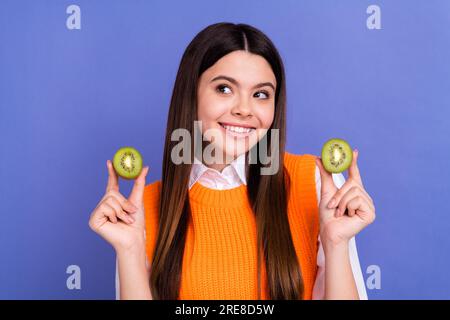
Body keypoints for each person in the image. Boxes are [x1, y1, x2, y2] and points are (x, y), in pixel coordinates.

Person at [89, 22, 376, 300]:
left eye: (261, 94)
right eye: (224, 88)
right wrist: (129, 251)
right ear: (192, 93)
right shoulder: (140, 211)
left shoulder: (314, 183)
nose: (243, 109)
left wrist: (336, 244)